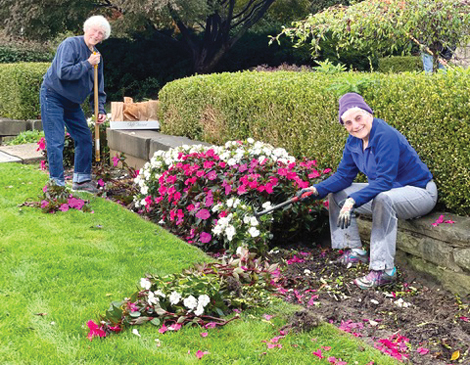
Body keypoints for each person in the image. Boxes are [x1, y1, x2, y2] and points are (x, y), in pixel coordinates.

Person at [296, 93, 437, 289]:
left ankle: (384, 270)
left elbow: (385, 181)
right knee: (338, 194)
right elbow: (344, 176)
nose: (355, 125)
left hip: (419, 192)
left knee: (382, 198)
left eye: (358, 118)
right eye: (348, 122)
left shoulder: (385, 136)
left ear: (369, 114)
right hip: (389, 191)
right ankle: (354, 251)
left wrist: (353, 201)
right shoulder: (353, 141)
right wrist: (315, 189)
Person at [40, 15, 111, 193]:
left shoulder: (96, 56)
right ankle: (56, 185)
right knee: (55, 141)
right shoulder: (70, 44)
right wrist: (88, 64)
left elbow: (98, 86)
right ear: (86, 29)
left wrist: (100, 109)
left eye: (100, 33)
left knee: (84, 138)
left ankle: (81, 180)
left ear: (103, 38)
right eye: (94, 30)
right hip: (53, 95)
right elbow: (63, 72)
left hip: (72, 103)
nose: (96, 35)